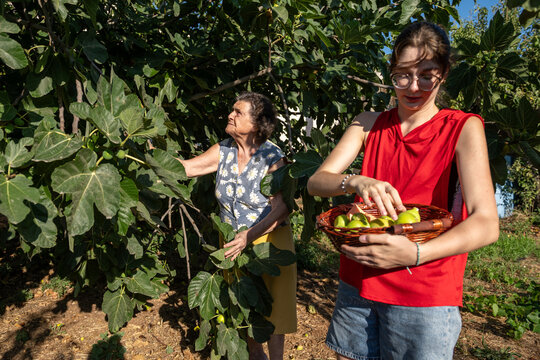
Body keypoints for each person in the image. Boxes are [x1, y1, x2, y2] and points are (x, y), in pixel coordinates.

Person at [307, 21, 499, 360]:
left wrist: (415, 254)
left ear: (444, 73)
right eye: (403, 75)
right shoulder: (367, 123)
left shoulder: (462, 127)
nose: (414, 87)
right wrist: (354, 180)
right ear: (391, 72)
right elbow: (317, 182)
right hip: (358, 283)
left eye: (427, 75)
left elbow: (486, 223)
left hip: (423, 293)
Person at [179, 92, 296, 360]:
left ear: (257, 123)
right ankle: (257, 356)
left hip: (268, 242)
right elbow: (186, 168)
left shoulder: (273, 157)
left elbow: (282, 208)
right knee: (244, 309)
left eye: (238, 112)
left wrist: (249, 236)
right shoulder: (224, 150)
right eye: (232, 110)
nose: (230, 115)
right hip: (233, 244)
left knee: (274, 312)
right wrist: (149, 158)